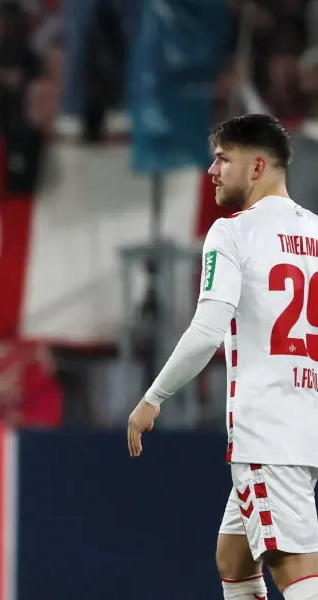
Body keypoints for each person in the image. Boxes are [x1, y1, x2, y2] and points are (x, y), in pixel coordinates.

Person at [128, 114, 318, 600]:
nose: (211, 170)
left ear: (257, 167)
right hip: (304, 424)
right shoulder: (316, 233)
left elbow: (207, 329)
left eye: (222, 159)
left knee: (293, 569)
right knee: (233, 556)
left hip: (265, 434)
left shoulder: (233, 233)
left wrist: (154, 396)